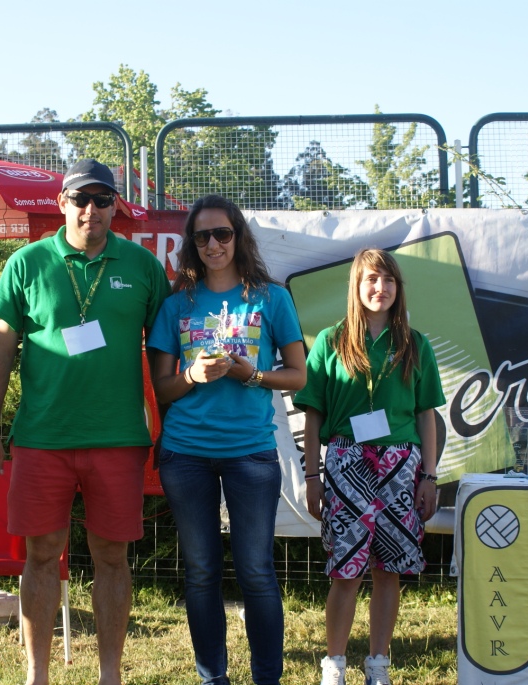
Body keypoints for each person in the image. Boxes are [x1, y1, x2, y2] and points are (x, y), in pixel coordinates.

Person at [0, 159, 170, 685]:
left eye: (102, 200)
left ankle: (110, 675)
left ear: (114, 207)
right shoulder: (27, 263)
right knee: (40, 555)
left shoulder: (143, 266)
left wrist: (168, 427)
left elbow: (164, 357)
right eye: (81, 199)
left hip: (118, 438)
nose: (91, 210)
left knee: (113, 557)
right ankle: (36, 675)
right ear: (61, 203)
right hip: (43, 438)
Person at [147, 195, 306, 685]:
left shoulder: (271, 298)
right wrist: (192, 375)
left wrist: (251, 375)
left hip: (250, 453)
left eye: (222, 234)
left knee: (256, 571)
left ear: (239, 236)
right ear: (191, 244)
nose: (213, 244)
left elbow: (298, 376)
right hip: (186, 454)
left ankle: (266, 679)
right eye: (202, 236)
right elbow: (162, 388)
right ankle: (212, 678)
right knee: (201, 572)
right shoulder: (176, 306)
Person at [294, 248, 445, 685]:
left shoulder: (416, 344)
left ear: (399, 288)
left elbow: (426, 416)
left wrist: (429, 476)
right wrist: (312, 477)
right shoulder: (330, 341)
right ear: (356, 287)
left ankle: (378, 664)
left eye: (389, 280)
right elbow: (313, 416)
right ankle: (334, 664)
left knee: (388, 570)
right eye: (372, 280)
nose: (381, 288)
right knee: (346, 571)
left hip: (402, 467)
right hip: (346, 465)